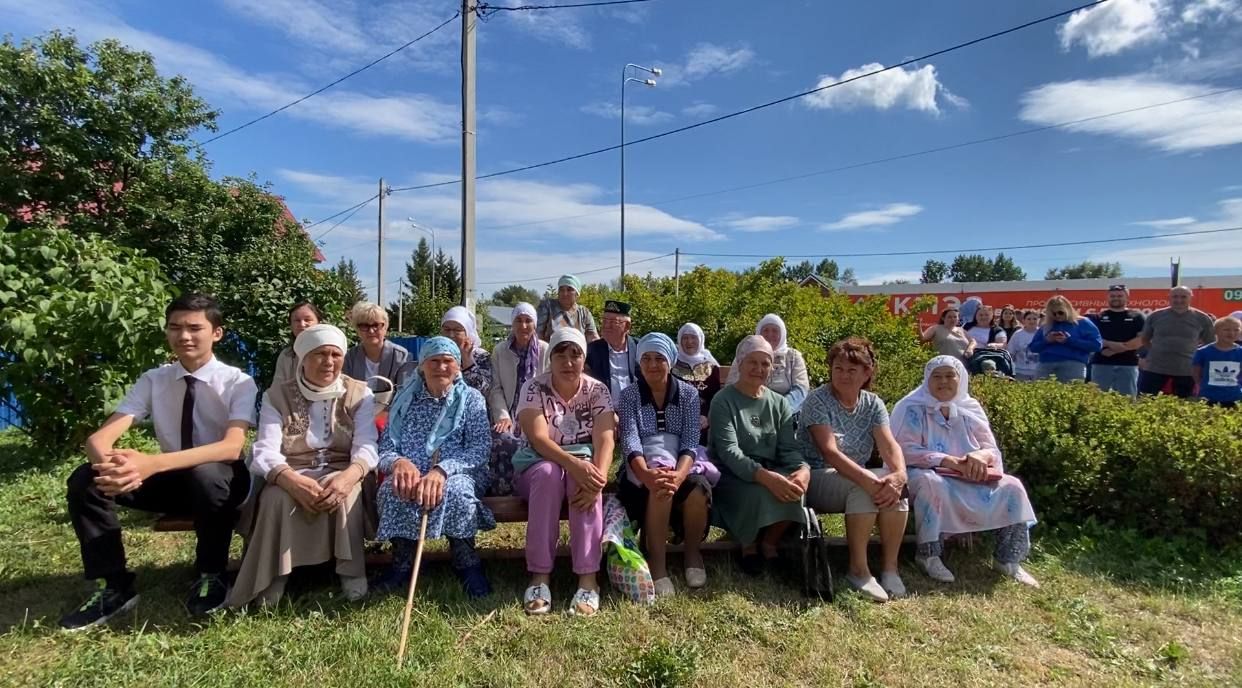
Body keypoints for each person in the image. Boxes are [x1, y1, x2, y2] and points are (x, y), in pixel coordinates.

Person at [62, 294, 257, 630]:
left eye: (195, 328)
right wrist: (116, 468)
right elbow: (98, 440)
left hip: (222, 479)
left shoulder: (238, 381)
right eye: (175, 328)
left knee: (207, 475)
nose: (184, 336)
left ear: (217, 333)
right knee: (86, 480)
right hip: (170, 479)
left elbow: (231, 447)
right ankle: (114, 587)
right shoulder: (154, 379)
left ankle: (211, 574)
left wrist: (152, 463)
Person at [228, 324, 378, 607]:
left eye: (336, 354)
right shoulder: (276, 396)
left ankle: (351, 573)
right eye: (320, 354)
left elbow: (367, 444)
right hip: (292, 472)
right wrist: (289, 480)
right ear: (303, 357)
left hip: (343, 469)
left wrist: (349, 476)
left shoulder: (360, 393)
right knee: (275, 499)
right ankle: (274, 576)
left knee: (348, 495)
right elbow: (264, 450)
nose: (329, 362)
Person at [891, 356, 1040, 588]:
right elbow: (903, 450)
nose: (944, 382)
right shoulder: (912, 407)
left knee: (1012, 486)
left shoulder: (970, 408)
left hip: (969, 473)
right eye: (937, 376)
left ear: (960, 380)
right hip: (925, 471)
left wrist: (980, 457)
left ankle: (1008, 560)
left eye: (950, 376)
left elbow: (990, 448)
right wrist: (946, 461)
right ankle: (929, 554)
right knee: (932, 485)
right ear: (926, 380)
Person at [372, 337, 495, 598]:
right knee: (394, 490)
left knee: (458, 493)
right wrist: (399, 463)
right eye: (434, 361)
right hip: (412, 471)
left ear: (458, 366)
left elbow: (479, 448)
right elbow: (385, 449)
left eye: (447, 361)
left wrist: (441, 471)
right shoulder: (405, 400)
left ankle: (466, 561)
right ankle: (403, 561)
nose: (441, 367)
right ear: (422, 366)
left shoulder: (471, 399)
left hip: (460, 471)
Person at [797, 337, 909, 602]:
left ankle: (890, 569)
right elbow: (830, 452)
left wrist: (899, 474)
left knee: (897, 488)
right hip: (816, 475)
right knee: (863, 488)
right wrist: (870, 480)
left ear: (867, 373)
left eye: (851, 370)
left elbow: (889, 445)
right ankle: (858, 570)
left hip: (854, 474)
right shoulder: (818, 400)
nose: (843, 375)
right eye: (838, 369)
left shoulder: (872, 404)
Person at [513, 328, 615, 616]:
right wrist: (575, 465)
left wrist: (599, 477)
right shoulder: (534, 388)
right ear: (550, 358)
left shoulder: (597, 390)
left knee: (584, 481)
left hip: (581, 464)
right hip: (535, 463)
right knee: (548, 475)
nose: (568, 362)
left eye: (575, 355)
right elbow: (538, 439)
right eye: (561, 354)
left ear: (584, 358)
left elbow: (605, 438)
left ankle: (588, 579)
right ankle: (539, 576)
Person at [616, 333, 716, 597]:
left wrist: (679, 475)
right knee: (659, 485)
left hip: (682, 464)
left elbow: (691, 440)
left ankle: (692, 555)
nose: (652, 365)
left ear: (670, 361)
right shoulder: (629, 395)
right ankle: (657, 565)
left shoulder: (688, 394)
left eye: (659, 358)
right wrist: (647, 474)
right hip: (639, 470)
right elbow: (629, 438)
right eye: (646, 358)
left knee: (696, 490)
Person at [710, 335, 809, 578]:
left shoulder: (779, 404)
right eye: (752, 362)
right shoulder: (723, 401)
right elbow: (729, 452)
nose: (759, 369)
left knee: (794, 489)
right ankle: (748, 545)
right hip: (732, 473)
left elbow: (788, 448)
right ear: (740, 364)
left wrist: (803, 469)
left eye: (765, 363)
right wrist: (766, 477)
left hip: (770, 469)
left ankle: (770, 543)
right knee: (757, 492)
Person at [486, 302, 548, 496]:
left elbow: (550, 387)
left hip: (538, 411)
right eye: (518, 321)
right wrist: (502, 416)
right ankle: (503, 492)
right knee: (501, 438)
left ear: (535, 324)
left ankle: (531, 487)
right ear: (512, 324)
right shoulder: (500, 350)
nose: (523, 326)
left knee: (537, 441)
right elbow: (495, 389)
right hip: (510, 410)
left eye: (528, 321)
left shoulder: (546, 350)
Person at [1139, 286, 1216, 398]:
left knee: (1182, 405)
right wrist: (1156, 352)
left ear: (1190, 298)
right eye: (1175, 296)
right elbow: (1145, 339)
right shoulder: (1155, 316)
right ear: (1169, 297)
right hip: (1155, 368)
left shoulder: (1202, 318)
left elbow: (1210, 344)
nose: (1179, 300)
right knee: (1146, 401)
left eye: (1183, 297)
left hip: (1186, 370)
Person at [725, 314, 810, 412]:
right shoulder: (745, 354)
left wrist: (779, 408)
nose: (770, 335)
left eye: (775, 331)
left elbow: (801, 389)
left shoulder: (793, 357)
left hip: (784, 411)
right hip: (747, 408)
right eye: (765, 330)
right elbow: (731, 385)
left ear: (782, 334)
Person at [1088, 285, 1146, 397]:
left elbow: (1141, 339)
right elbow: (1093, 338)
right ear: (1107, 297)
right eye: (1112, 296)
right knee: (1097, 399)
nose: (1116, 298)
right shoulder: (1097, 317)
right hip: (1101, 364)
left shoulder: (1137, 316)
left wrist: (1113, 350)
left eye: (1120, 296)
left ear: (1127, 297)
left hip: (1128, 364)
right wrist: (1112, 344)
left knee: (1127, 399)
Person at [1029, 296, 1102, 383]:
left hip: (1073, 364)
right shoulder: (1047, 325)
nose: (1057, 316)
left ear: (1068, 309)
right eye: (1053, 314)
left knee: (1072, 394)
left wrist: (1069, 340)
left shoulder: (1083, 323)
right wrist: (1047, 340)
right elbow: (1033, 347)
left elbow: (1096, 345)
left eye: (1060, 312)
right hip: (1046, 364)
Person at [343, 301, 412, 391]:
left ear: (385, 327)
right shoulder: (350, 357)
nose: (371, 331)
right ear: (357, 329)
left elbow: (404, 392)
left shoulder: (400, 355)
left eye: (376, 325)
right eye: (364, 326)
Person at [585, 300, 639, 404]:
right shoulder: (592, 350)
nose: (606, 326)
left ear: (627, 326)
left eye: (613, 322)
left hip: (637, 409)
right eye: (604, 321)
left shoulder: (640, 348)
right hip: (605, 411)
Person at [671, 322, 722, 431]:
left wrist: (706, 416)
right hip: (678, 419)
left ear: (700, 339)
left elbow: (715, 397)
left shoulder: (711, 366)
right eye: (685, 338)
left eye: (693, 337)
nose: (689, 342)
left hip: (705, 420)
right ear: (680, 340)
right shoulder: (671, 365)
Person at [441, 305, 492, 396]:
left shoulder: (481, 356)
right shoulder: (436, 354)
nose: (451, 335)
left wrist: (467, 361)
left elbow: (486, 391)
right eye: (447, 329)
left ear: (467, 332)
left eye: (457, 330)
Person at [270, 301, 323, 389]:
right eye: (297, 320)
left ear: (319, 323)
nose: (302, 324)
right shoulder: (286, 355)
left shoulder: (331, 352)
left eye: (307, 320)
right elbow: (278, 388)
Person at [1192, 316, 1242, 408]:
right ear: (1215, 331)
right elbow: (1196, 372)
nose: (1231, 333)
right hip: (1209, 397)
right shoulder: (1203, 352)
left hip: (1235, 397)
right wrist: (1200, 387)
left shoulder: (1240, 352)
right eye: (1226, 330)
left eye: (1236, 330)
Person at [536, 274, 599, 342]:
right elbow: (537, 334)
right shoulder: (548, 307)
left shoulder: (584, 313)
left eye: (569, 290)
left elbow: (593, 337)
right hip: (550, 351)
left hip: (577, 351)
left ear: (577, 294)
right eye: (561, 289)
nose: (565, 293)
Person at [1005, 310, 1041, 381]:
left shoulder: (1043, 333)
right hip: (1020, 371)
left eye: (1034, 319)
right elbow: (1010, 353)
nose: (1032, 321)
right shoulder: (1017, 334)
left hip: (1038, 371)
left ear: (1038, 320)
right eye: (1029, 319)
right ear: (1024, 320)